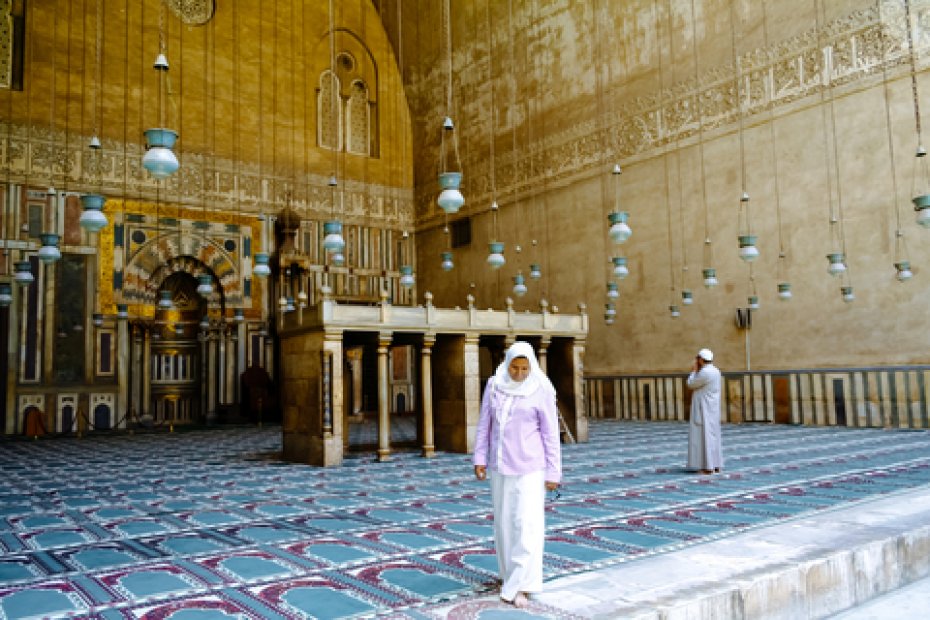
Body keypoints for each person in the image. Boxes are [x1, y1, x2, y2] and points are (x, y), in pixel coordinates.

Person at [473, 341, 562, 609]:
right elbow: (484, 424)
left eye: (525, 368)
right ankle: (508, 577)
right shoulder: (494, 385)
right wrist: (479, 458)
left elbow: (550, 433)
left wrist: (553, 471)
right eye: (515, 367)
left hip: (531, 468)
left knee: (527, 526)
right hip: (500, 466)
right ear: (507, 362)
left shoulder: (541, 389)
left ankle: (522, 585)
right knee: (504, 525)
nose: (520, 373)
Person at [687, 348, 724, 474]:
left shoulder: (704, 373)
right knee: (713, 435)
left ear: (701, 360)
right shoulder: (716, 371)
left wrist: (693, 371)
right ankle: (716, 463)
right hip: (712, 408)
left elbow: (691, 384)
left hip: (704, 408)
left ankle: (708, 467)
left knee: (705, 436)